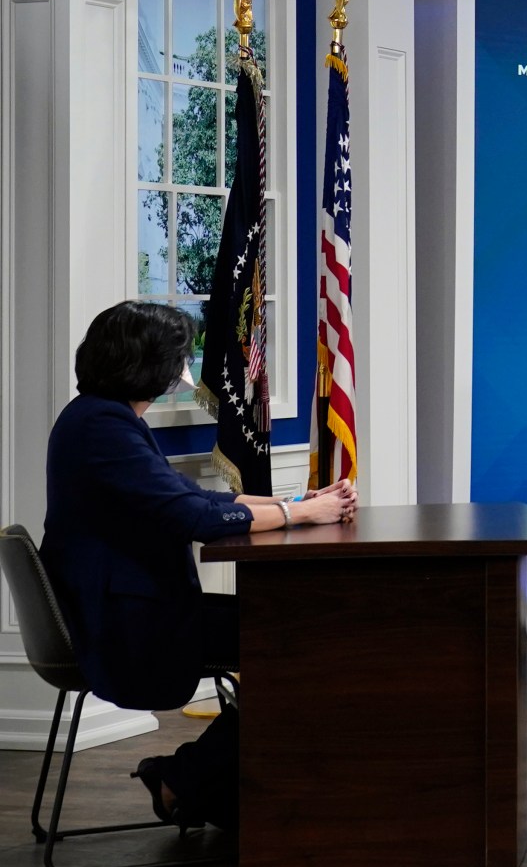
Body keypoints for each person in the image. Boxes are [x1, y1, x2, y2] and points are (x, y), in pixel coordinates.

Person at [40, 302, 357, 830]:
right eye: (176, 361)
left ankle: (194, 783)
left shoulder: (100, 417)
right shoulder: (102, 426)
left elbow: (188, 496)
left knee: (297, 640)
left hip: (130, 608)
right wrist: (300, 514)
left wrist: (299, 502)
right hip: (127, 626)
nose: (179, 374)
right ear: (149, 364)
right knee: (307, 647)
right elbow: (193, 518)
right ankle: (184, 781)